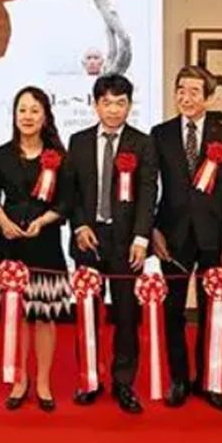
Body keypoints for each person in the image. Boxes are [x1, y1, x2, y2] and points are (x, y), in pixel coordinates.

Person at [151, 66, 222, 412]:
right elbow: (149, 188)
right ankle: (178, 378)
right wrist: (153, 230)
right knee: (172, 310)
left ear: (209, 97)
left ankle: (210, 380)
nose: (185, 97)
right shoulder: (160, 134)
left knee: (212, 310)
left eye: (194, 91)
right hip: (172, 236)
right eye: (181, 90)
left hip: (213, 237)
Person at [63, 73, 157, 414]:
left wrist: (141, 238)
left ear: (129, 105)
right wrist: (79, 225)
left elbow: (148, 193)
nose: (114, 110)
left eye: (120, 103)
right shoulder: (78, 142)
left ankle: (123, 382)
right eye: (107, 103)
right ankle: (89, 379)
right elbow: (71, 192)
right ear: (95, 105)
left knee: (127, 315)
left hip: (127, 241)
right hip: (88, 239)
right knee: (87, 312)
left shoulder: (142, 143)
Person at [0, 86, 73, 412]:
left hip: (45, 244)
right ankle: (20, 380)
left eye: (35, 110)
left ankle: (44, 381)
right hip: (10, 246)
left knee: (44, 316)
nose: (28, 116)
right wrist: (3, 220)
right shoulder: (2, 155)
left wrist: (44, 221)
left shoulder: (59, 156)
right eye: (22, 110)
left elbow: (65, 203)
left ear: (45, 116)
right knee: (17, 315)